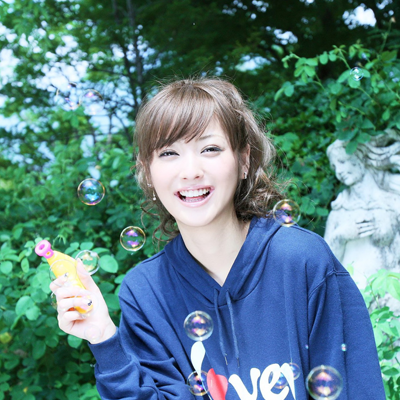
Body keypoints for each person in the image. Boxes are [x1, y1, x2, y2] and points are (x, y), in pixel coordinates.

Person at [50, 78, 385, 400]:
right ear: (147, 172)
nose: (190, 171)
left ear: (244, 160)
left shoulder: (302, 260)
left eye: (210, 148)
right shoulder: (145, 292)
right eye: (169, 153)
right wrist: (104, 338)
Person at [325, 137, 400, 289]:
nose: (338, 171)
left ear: (360, 158)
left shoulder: (393, 202)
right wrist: (340, 236)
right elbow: (324, 264)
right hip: (351, 293)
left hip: (388, 292)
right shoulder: (340, 210)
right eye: (334, 166)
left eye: (342, 162)